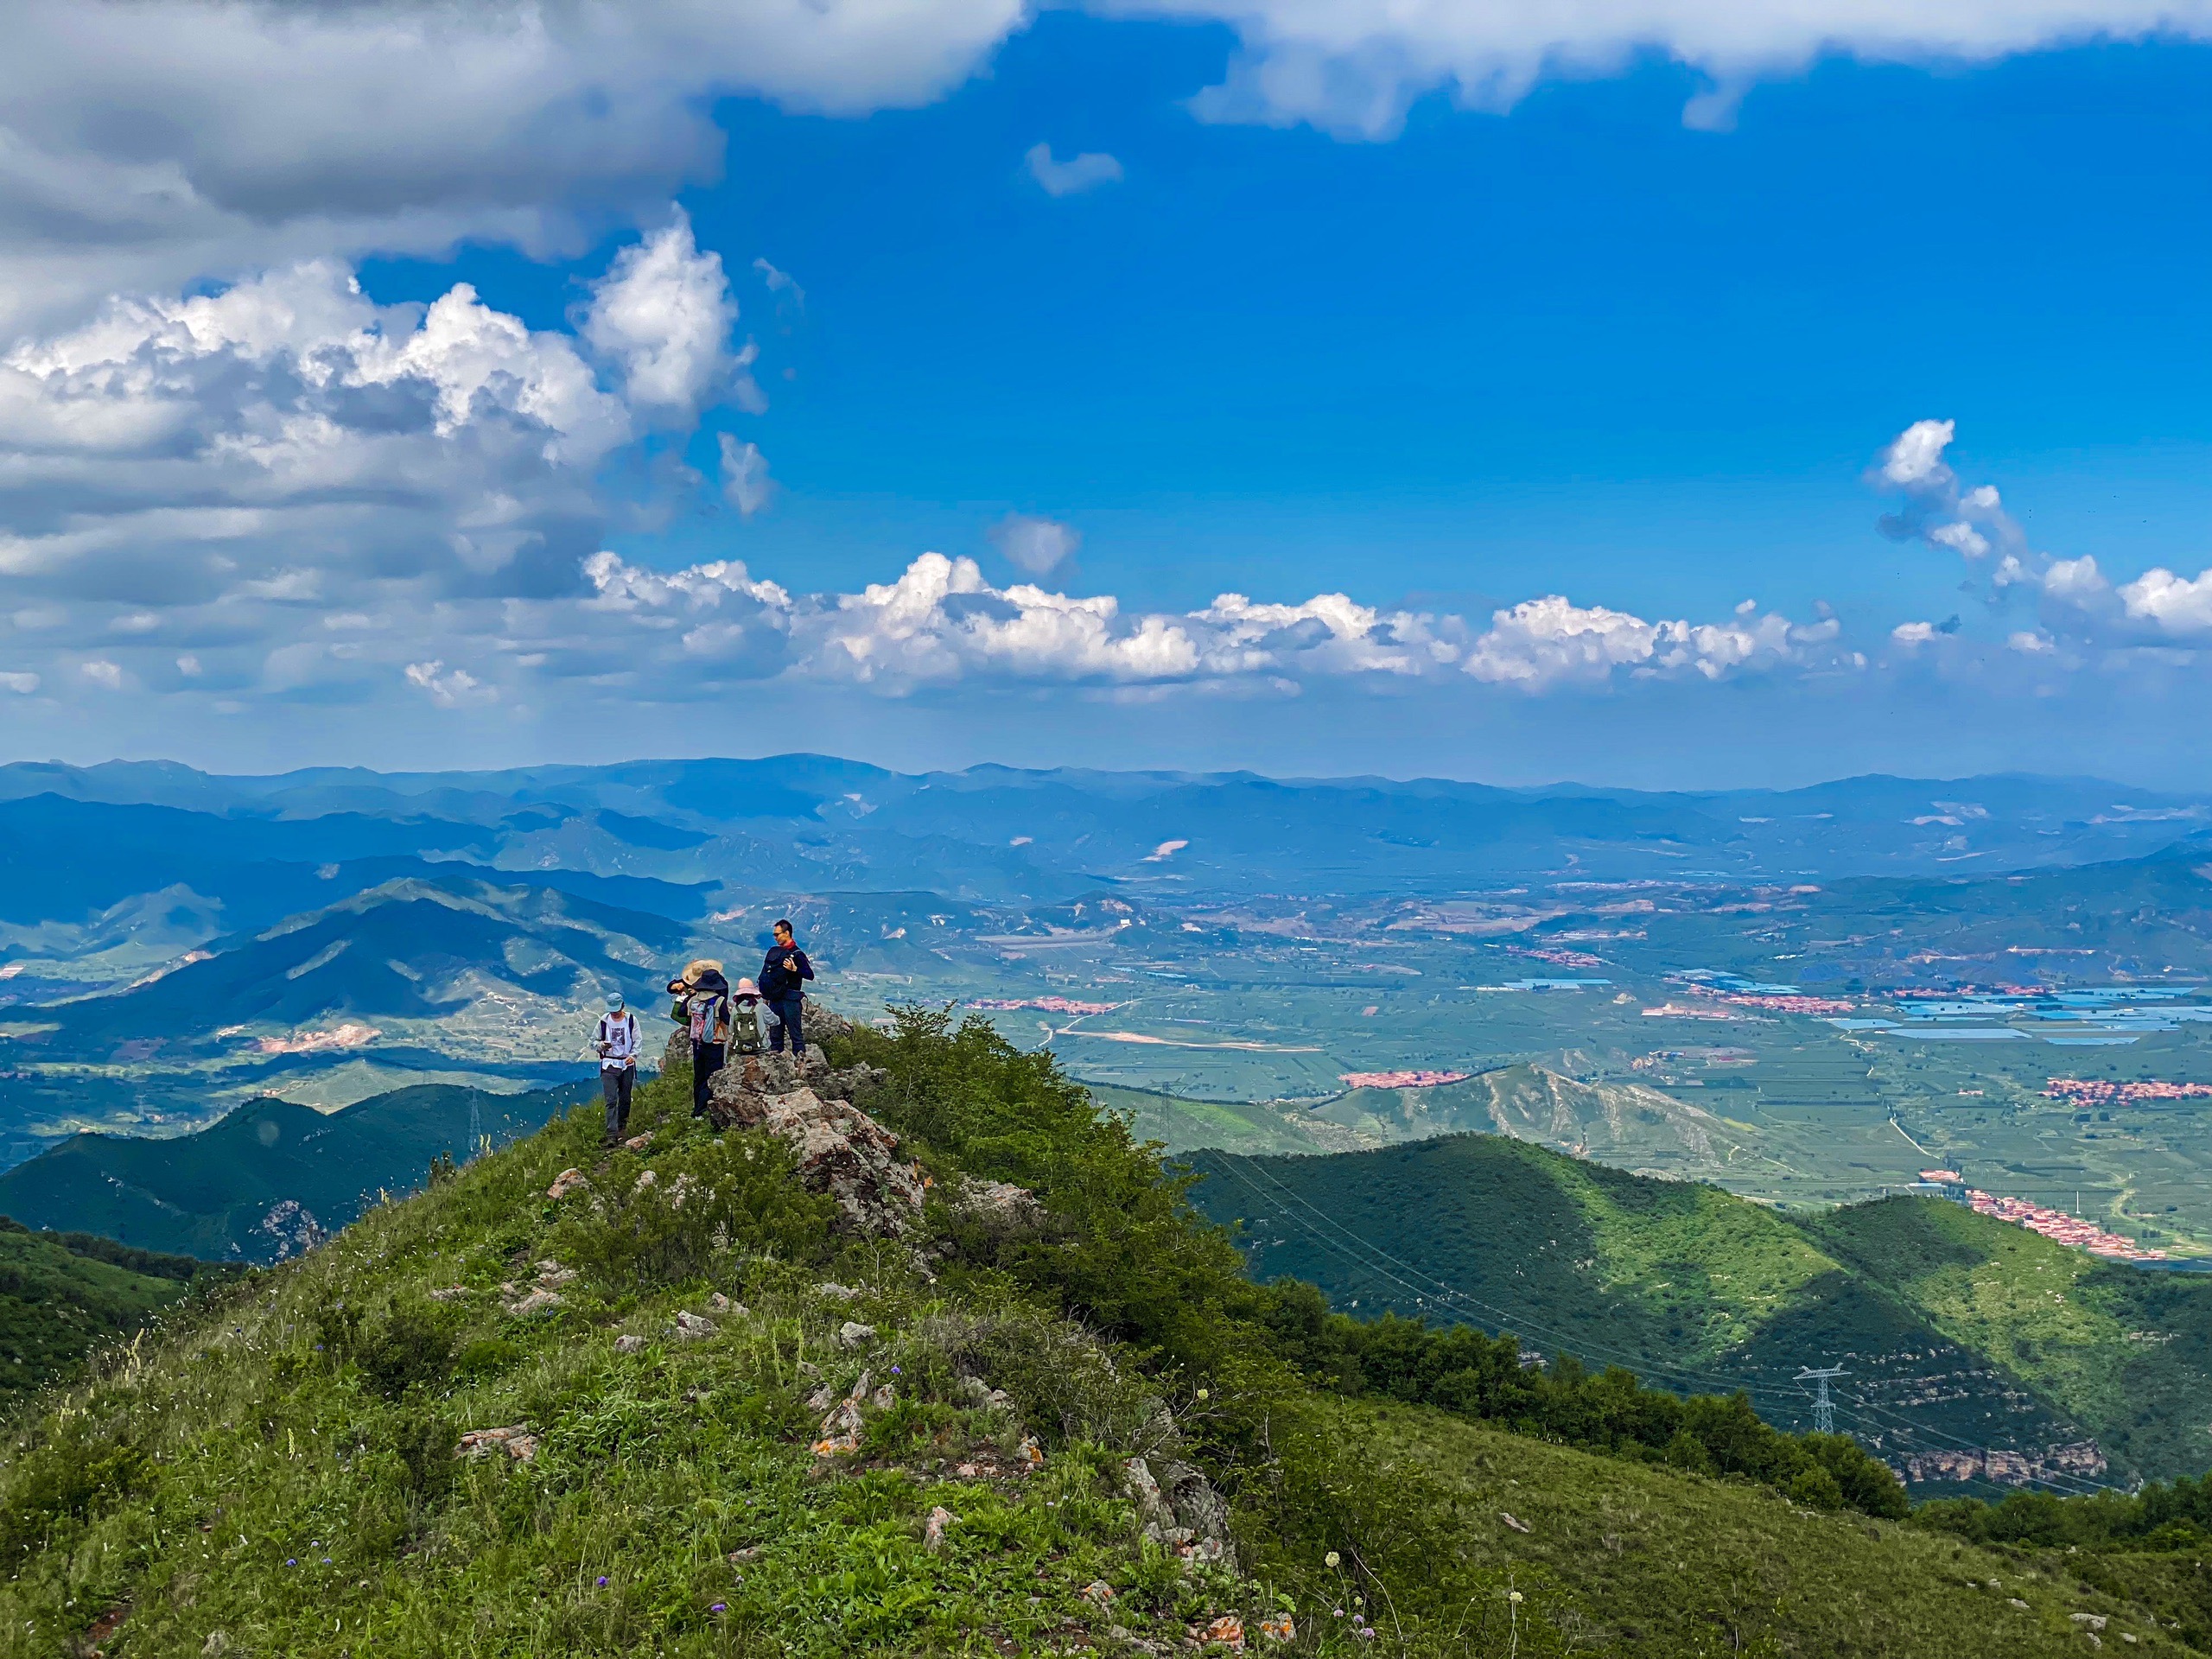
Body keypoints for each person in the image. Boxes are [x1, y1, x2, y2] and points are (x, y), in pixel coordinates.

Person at [667, 958, 734, 1117]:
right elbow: (727, 1019)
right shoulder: (719, 1001)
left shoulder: (693, 1000)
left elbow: (682, 1012)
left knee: (699, 1075)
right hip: (715, 1042)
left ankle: (697, 1108)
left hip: (697, 1043)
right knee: (712, 1075)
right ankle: (705, 1108)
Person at [759, 918, 815, 1056]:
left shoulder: (797, 954)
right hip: (776, 999)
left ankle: (800, 1065)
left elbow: (810, 975)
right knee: (775, 1036)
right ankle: (777, 1067)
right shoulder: (776, 953)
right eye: (774, 935)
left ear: (787, 933)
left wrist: (795, 969)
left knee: (795, 1035)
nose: (775, 937)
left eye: (777, 934)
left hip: (790, 999)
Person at [594, 992, 639, 1145]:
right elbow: (593, 1041)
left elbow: (637, 1040)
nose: (614, 1013)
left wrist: (633, 1055)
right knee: (611, 1099)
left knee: (625, 1097)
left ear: (622, 1007)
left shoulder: (631, 1020)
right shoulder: (603, 1022)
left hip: (626, 1064)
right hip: (609, 1064)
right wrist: (601, 1046)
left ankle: (622, 1127)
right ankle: (611, 1134)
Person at [729, 977, 768, 1058]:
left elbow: (731, 1030)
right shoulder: (761, 1007)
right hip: (760, 1048)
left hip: (741, 1048)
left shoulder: (735, 1009)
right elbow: (776, 1021)